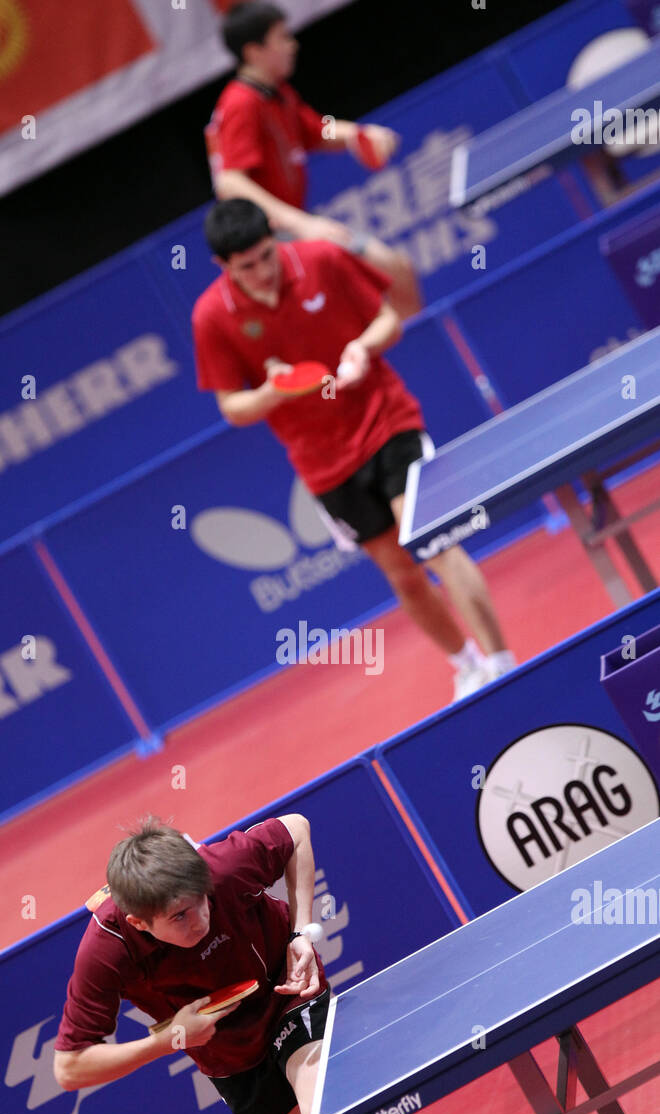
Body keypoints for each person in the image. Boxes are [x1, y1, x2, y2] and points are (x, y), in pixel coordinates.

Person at [53, 813, 463, 1114]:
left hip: (287, 992)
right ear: (141, 922)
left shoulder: (222, 867)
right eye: (179, 917)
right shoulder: (106, 950)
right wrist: (167, 1041)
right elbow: (69, 1067)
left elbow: (297, 830)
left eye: (200, 901)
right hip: (227, 1054)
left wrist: (302, 933)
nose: (200, 919)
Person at [191, 198, 514, 700]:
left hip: (386, 419)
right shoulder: (211, 317)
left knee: (433, 541)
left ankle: (502, 662)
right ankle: (466, 666)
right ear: (222, 267)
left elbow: (391, 319)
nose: (262, 272)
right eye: (246, 267)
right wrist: (273, 391)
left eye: (266, 256)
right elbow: (232, 407)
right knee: (403, 576)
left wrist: (362, 348)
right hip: (323, 461)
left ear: (275, 243)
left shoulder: (321, 259)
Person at [206, 0, 422, 319]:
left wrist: (358, 134)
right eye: (282, 37)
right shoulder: (241, 103)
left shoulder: (276, 94)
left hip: (291, 228)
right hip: (272, 241)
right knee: (390, 268)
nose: (293, 45)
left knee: (391, 274)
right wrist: (304, 224)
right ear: (254, 51)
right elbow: (229, 181)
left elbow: (317, 130)